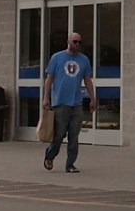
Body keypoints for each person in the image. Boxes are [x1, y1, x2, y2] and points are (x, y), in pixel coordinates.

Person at [40, 30, 94, 174]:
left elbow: (88, 80)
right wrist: (46, 98)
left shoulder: (84, 60)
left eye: (79, 42)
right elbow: (49, 79)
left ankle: (70, 164)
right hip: (60, 102)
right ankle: (50, 155)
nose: (77, 44)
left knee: (74, 135)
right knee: (59, 134)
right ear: (68, 41)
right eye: (74, 41)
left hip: (76, 103)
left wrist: (92, 98)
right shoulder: (57, 58)